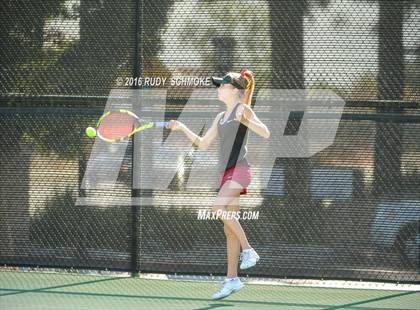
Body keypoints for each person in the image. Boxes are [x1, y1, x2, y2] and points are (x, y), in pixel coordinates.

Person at [166, 70, 270, 300]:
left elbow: (265, 132)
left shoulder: (243, 109)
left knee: (217, 208)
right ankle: (232, 279)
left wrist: (248, 120)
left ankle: (249, 250)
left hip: (240, 170)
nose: (218, 89)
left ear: (233, 90)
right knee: (228, 229)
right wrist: (182, 127)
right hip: (225, 174)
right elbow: (203, 144)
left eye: (222, 85)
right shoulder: (220, 116)